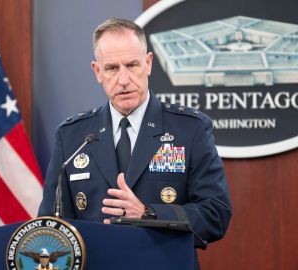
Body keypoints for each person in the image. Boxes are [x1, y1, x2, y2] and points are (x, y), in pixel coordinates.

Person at [38, 18, 232, 250]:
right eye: (112, 68)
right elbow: (51, 226)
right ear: (97, 71)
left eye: (132, 65)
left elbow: (215, 214)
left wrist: (148, 213)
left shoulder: (190, 129)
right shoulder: (72, 136)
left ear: (148, 63)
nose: (123, 80)